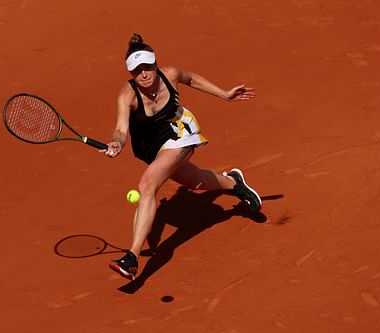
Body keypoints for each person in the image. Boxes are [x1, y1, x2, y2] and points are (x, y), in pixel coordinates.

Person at [103, 33, 261, 281]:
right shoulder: (128, 94)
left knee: (147, 185)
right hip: (153, 148)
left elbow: (191, 78)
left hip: (179, 134)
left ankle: (131, 257)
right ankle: (234, 183)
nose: (143, 74)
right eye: (137, 71)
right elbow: (121, 129)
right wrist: (117, 142)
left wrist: (224, 94)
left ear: (155, 64)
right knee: (195, 182)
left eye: (147, 68)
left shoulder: (170, 75)